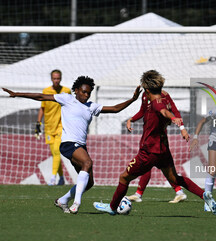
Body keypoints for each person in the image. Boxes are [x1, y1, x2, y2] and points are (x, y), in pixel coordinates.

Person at [3, 76, 141, 214]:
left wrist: (133, 99)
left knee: (89, 183)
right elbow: (41, 96)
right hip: (68, 144)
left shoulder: (91, 106)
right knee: (87, 163)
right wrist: (17, 94)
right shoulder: (67, 99)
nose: (86, 95)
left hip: (80, 146)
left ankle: (62, 200)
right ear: (76, 90)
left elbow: (115, 108)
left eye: (88, 93)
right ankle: (76, 203)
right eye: (83, 92)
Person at [93, 70, 216, 215]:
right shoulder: (160, 97)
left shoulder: (156, 103)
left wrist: (173, 119)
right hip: (163, 149)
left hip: (149, 150)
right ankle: (204, 195)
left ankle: (112, 208)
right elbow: (152, 111)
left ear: (146, 89)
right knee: (175, 178)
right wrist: (131, 119)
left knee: (124, 177)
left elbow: (164, 111)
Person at [126, 90, 189, 204]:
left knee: (158, 166)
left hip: (158, 137)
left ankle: (179, 191)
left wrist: (182, 128)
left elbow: (174, 111)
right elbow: (142, 111)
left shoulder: (164, 95)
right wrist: (131, 119)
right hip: (149, 135)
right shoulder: (145, 95)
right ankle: (178, 191)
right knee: (150, 165)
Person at [35, 69, 71, 186]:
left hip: (61, 126)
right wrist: (38, 123)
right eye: (54, 78)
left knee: (56, 152)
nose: (56, 80)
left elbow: (71, 107)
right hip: (49, 127)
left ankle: (52, 178)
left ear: (61, 78)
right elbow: (43, 108)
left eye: (58, 78)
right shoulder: (46, 91)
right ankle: (61, 178)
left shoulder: (66, 91)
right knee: (54, 154)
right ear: (51, 79)